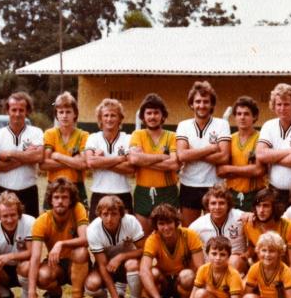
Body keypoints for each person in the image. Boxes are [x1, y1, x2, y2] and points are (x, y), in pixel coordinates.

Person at [26, 178, 91, 298]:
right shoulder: (42, 221)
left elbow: (85, 240)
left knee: (81, 252)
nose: (60, 201)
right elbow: (35, 257)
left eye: (64, 197)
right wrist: (31, 294)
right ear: (50, 200)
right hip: (57, 264)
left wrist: (61, 243)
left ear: (71, 199)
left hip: (77, 262)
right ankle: (54, 295)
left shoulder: (77, 209)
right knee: (42, 276)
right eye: (56, 197)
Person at [176, 81, 231, 226]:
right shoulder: (184, 125)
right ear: (191, 104)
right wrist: (210, 148)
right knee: (189, 231)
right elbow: (182, 155)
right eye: (198, 101)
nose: (201, 105)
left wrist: (193, 153)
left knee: (214, 230)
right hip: (189, 184)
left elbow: (224, 157)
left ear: (212, 104)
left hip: (214, 186)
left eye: (206, 102)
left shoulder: (222, 124)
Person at [85, 195, 146, 298]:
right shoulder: (93, 229)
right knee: (91, 284)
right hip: (107, 266)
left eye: (114, 214)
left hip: (127, 264)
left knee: (133, 264)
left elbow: (144, 250)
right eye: (105, 214)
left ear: (121, 214)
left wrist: (122, 256)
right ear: (99, 215)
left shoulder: (130, 221)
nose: (109, 219)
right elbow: (102, 265)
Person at [256, 83, 291, 211]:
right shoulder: (269, 125)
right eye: (279, 104)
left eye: (286, 104)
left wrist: (272, 157)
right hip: (275, 191)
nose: (282, 108)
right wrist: (289, 151)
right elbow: (260, 155)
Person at [139, 203, 204, 298]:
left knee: (187, 275)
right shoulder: (153, 239)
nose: (166, 227)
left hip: (181, 281)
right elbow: (144, 270)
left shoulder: (190, 235)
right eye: (161, 224)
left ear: (176, 222)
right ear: (156, 226)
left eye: (169, 222)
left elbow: (200, 268)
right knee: (152, 273)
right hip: (164, 280)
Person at [128, 94, 180, 233]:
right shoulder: (137, 135)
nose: (152, 116)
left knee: (168, 235)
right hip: (143, 192)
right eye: (148, 113)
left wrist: (143, 159)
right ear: (143, 117)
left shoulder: (172, 136)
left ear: (163, 115)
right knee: (143, 236)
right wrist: (163, 157)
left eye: (156, 112)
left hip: (167, 192)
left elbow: (174, 164)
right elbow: (133, 159)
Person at [0, 92, 44, 217]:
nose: (17, 114)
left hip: (28, 191)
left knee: (30, 232)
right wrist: (26, 157)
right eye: (13, 109)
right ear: (7, 111)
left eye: (21, 110)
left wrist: (10, 154)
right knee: (1, 230)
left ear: (27, 111)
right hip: (3, 191)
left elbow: (38, 156)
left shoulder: (36, 132)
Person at [0, 191, 34, 298]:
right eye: (5, 216)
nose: (9, 220)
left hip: (22, 267)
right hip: (3, 271)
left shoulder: (29, 222)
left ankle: (26, 297)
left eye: (13, 215)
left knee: (27, 266)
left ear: (19, 213)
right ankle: (4, 294)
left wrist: (11, 256)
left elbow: (32, 252)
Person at [84, 99, 134, 219]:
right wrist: (120, 159)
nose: (109, 119)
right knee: (97, 234)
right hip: (99, 192)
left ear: (120, 118)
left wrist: (101, 161)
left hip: (122, 193)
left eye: (113, 115)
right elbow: (90, 162)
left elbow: (131, 168)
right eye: (105, 115)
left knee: (124, 234)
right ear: (100, 119)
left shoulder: (128, 138)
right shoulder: (93, 138)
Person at [216, 96, 266, 211]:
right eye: (239, 114)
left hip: (255, 194)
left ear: (255, 116)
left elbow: (259, 170)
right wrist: (248, 170)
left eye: (246, 114)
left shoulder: (262, 138)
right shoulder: (228, 139)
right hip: (231, 194)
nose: (242, 117)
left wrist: (230, 169)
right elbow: (220, 171)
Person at [41, 92, 88, 207]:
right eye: (61, 112)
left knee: (80, 222)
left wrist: (58, 156)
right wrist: (72, 162)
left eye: (68, 112)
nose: (64, 116)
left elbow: (83, 164)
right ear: (56, 114)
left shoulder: (83, 135)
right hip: (54, 186)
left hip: (77, 186)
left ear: (75, 114)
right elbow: (44, 164)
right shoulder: (50, 134)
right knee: (50, 223)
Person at [188, 184, 247, 273]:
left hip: (236, 264)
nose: (217, 207)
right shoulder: (196, 227)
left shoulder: (241, 217)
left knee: (233, 260)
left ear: (228, 205)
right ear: (207, 205)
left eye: (221, 203)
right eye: (213, 203)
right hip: (210, 266)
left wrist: (248, 254)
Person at [241, 188, 291, 278]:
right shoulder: (249, 225)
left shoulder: (289, 227)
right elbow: (253, 246)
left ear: (275, 207)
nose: (261, 210)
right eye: (258, 205)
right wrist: (245, 255)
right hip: (259, 272)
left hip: (282, 274)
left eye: (266, 206)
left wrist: (283, 284)